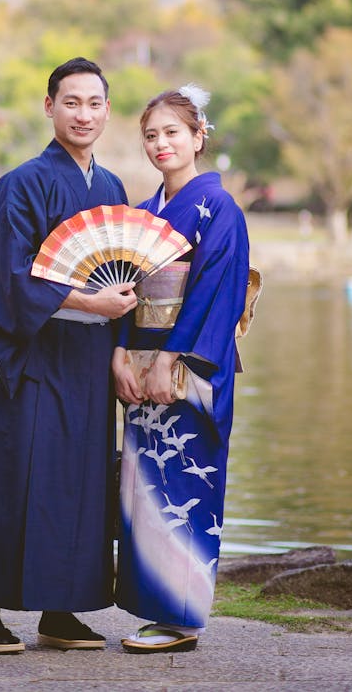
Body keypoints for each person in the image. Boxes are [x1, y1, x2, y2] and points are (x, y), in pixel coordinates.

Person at [0, 57, 138, 654]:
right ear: (49, 107)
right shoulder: (22, 182)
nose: (83, 114)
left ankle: (60, 613)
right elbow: (13, 279)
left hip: (90, 359)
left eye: (94, 104)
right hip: (38, 353)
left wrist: (119, 349)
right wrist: (90, 303)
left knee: (82, 485)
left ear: (107, 111)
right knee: (18, 476)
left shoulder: (111, 188)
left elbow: (124, 270)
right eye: (71, 102)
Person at [112, 85, 250, 654]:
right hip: (141, 366)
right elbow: (121, 288)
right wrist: (120, 353)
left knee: (186, 481)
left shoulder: (220, 209)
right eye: (151, 134)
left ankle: (183, 619)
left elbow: (216, 288)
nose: (161, 143)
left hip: (187, 368)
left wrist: (169, 357)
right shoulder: (143, 215)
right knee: (145, 487)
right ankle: (156, 611)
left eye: (173, 132)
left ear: (198, 137)